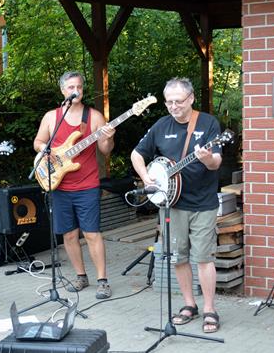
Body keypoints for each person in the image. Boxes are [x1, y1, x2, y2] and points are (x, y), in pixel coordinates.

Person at [130, 77, 223, 333]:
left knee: (203, 257)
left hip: (203, 203)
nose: (173, 106)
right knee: (179, 257)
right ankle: (189, 304)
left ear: (191, 98)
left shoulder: (208, 124)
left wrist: (206, 159)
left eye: (178, 101)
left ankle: (209, 309)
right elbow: (137, 154)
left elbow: (216, 162)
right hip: (171, 203)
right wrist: (146, 177)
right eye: (169, 102)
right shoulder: (161, 125)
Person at [33, 71, 116, 299]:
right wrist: (46, 151)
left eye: (78, 87)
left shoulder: (94, 117)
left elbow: (105, 150)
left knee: (91, 233)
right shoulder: (52, 117)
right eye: (70, 87)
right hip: (59, 184)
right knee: (69, 235)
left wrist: (108, 137)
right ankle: (81, 276)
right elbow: (38, 142)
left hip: (87, 184)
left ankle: (102, 280)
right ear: (63, 91)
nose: (75, 91)